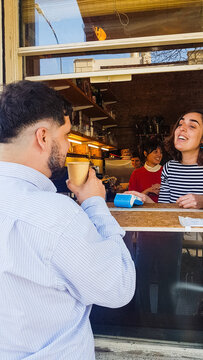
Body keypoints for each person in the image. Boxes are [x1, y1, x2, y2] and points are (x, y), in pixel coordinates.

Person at [0, 80, 135, 360]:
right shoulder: (56, 215)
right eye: (65, 134)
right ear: (43, 137)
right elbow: (117, 288)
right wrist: (95, 203)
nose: (68, 144)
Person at [127, 111, 203, 315]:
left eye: (192, 125)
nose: (182, 128)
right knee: (168, 286)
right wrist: (145, 200)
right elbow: (166, 209)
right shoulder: (170, 168)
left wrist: (201, 200)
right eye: (180, 124)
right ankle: (158, 324)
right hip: (174, 239)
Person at [128, 138, 163, 202]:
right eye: (155, 152)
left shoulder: (166, 171)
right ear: (145, 153)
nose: (159, 155)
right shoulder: (136, 174)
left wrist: (163, 188)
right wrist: (148, 191)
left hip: (164, 210)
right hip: (142, 211)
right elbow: (131, 199)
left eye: (161, 152)